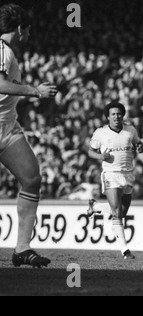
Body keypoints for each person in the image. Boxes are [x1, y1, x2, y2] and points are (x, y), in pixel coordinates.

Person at [0, 3, 57, 268]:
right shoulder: (2, 51)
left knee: (31, 178)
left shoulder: (8, 53)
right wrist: (35, 91)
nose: (29, 36)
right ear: (20, 29)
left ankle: (22, 248)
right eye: (28, 31)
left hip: (8, 127)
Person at [87, 102, 143, 259]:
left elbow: (139, 144)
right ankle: (125, 251)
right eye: (113, 114)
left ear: (123, 115)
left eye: (119, 114)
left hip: (128, 174)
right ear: (107, 116)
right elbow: (90, 152)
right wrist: (100, 156)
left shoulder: (130, 130)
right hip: (111, 174)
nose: (116, 116)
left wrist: (140, 147)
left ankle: (96, 206)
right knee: (117, 212)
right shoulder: (100, 133)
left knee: (122, 212)